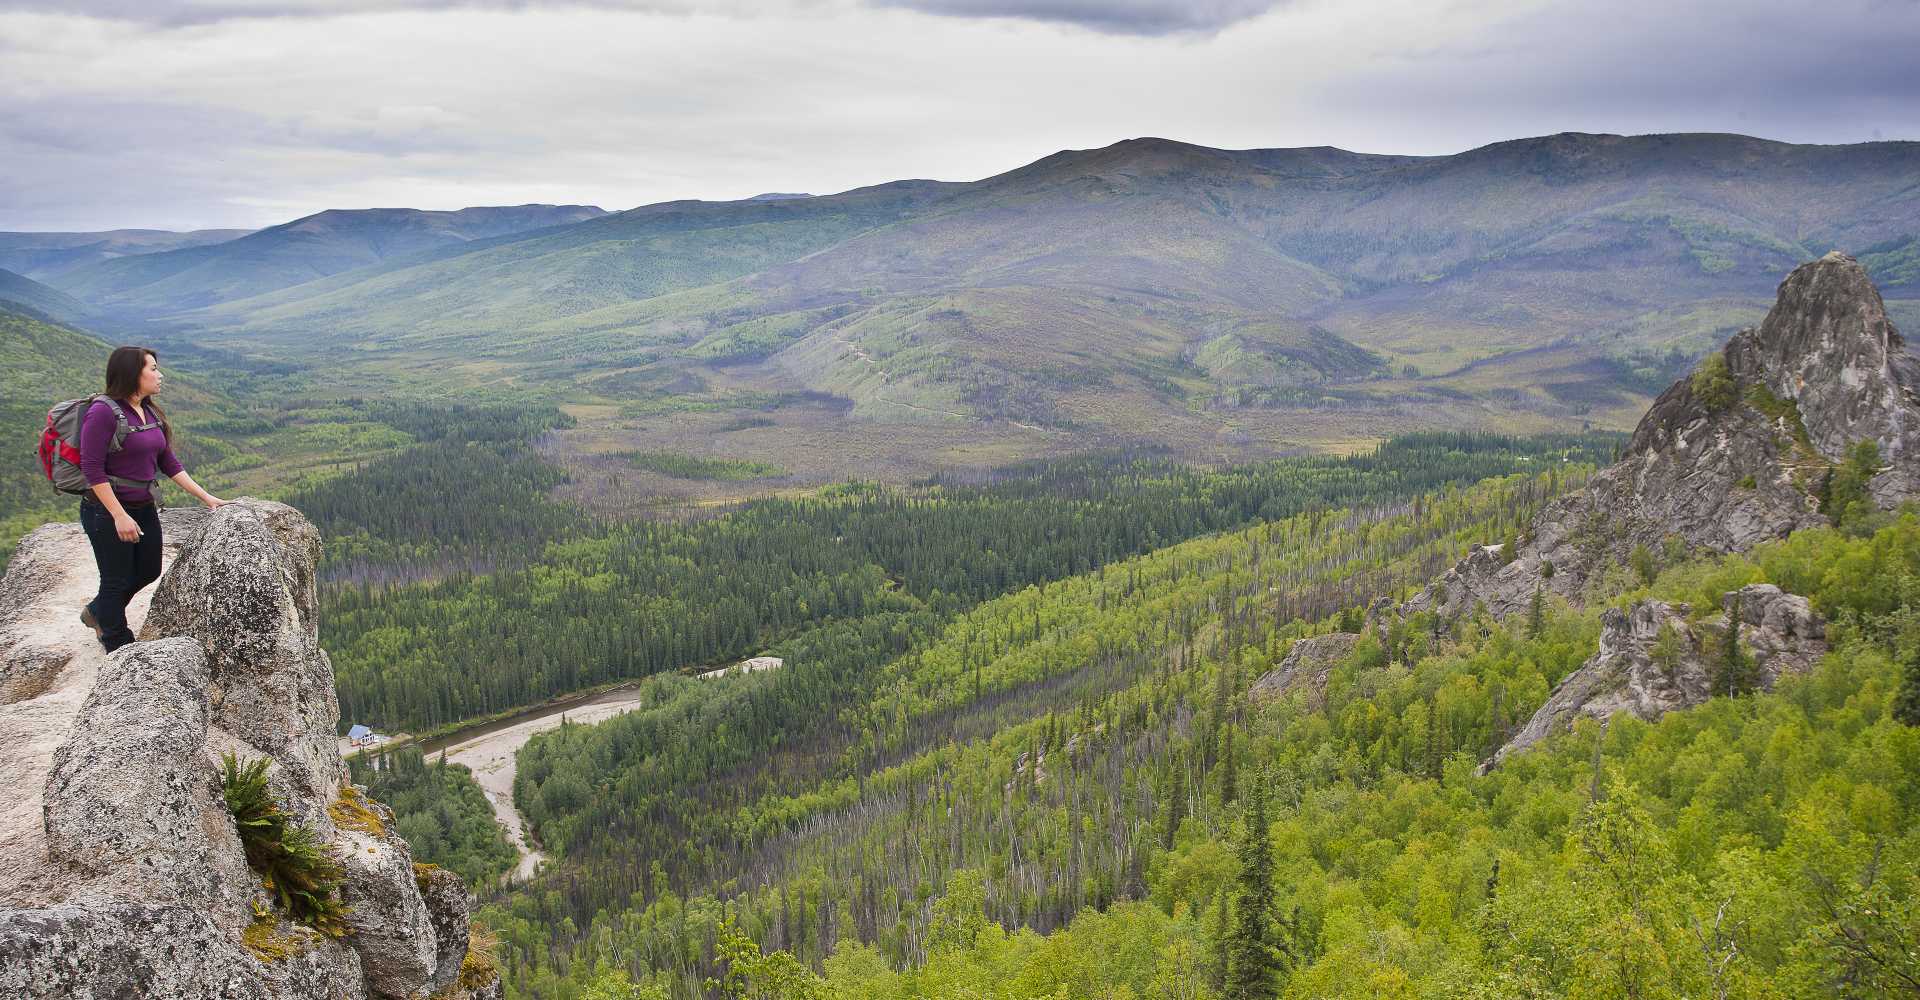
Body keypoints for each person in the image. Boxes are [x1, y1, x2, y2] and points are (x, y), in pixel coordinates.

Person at [78, 346, 227, 652]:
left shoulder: (149, 411)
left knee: (148, 569)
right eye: (153, 369)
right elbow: (92, 469)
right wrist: (119, 515)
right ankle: (118, 644)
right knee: (115, 580)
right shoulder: (103, 412)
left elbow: (168, 463)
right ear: (134, 373)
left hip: (143, 506)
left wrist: (207, 498)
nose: (160, 375)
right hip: (106, 511)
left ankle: (98, 612)